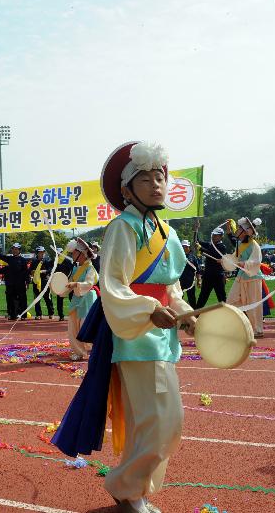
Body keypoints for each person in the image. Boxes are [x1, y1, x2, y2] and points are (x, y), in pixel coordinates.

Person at [52, 141, 196, 513]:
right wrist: (149, 308)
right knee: (161, 421)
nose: (156, 184)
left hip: (161, 336)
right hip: (135, 338)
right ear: (127, 189)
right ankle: (126, 486)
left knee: (156, 421)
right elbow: (114, 286)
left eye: (160, 176)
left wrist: (186, 312)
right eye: (145, 179)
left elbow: (172, 288)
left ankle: (134, 489)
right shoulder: (122, 228)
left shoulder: (168, 231)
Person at [224, 217, 265, 337]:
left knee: (254, 304)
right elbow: (234, 258)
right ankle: (236, 326)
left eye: (239, 229)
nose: (237, 230)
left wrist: (241, 264)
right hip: (242, 276)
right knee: (231, 301)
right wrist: (224, 261)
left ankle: (257, 330)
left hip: (253, 277)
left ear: (245, 232)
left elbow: (256, 262)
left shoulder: (254, 245)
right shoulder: (240, 244)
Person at [62, 238, 98, 360]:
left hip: (87, 299)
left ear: (81, 253)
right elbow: (69, 283)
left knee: (86, 325)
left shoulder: (90, 268)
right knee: (73, 326)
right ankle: (79, 352)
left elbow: (89, 283)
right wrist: (60, 289)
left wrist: (76, 284)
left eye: (74, 253)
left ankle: (93, 349)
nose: (72, 255)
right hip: (77, 298)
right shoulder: (76, 268)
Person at [195, 224, 234, 308]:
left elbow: (214, 255)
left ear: (221, 237)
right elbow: (197, 241)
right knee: (202, 297)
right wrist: (196, 230)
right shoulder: (210, 244)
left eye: (216, 235)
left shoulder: (222, 247)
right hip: (208, 275)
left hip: (218, 276)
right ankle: (195, 316)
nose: (214, 237)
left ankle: (227, 314)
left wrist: (201, 249)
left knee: (222, 298)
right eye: (213, 235)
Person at [0, 242, 29, 319]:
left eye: (16, 249)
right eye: (13, 249)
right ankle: (12, 315)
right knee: (10, 300)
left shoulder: (23, 260)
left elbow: (26, 272)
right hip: (10, 283)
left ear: (19, 250)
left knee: (22, 299)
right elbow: (2, 257)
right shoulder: (9, 259)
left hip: (20, 283)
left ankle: (23, 315)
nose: (14, 251)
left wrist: (27, 282)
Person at [29, 245, 54, 320]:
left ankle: (51, 313)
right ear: (37, 253)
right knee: (37, 299)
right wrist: (32, 272)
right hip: (36, 282)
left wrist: (44, 271)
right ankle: (38, 314)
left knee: (48, 298)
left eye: (43, 252)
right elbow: (30, 271)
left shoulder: (47, 260)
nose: (42, 254)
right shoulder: (33, 261)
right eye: (40, 252)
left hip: (45, 281)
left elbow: (50, 270)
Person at [179, 239, 199, 309]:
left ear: (189, 247)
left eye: (186, 246)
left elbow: (198, 270)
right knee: (179, 298)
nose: (185, 248)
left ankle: (194, 314)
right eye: (183, 246)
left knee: (192, 298)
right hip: (180, 281)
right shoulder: (178, 257)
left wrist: (199, 280)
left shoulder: (193, 257)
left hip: (191, 281)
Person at [55, 248, 73, 321]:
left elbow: (71, 270)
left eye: (60, 253)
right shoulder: (56, 262)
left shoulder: (68, 261)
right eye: (58, 253)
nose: (59, 254)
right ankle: (61, 315)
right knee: (59, 299)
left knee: (71, 299)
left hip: (68, 282)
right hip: (59, 283)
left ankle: (72, 315)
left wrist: (67, 279)